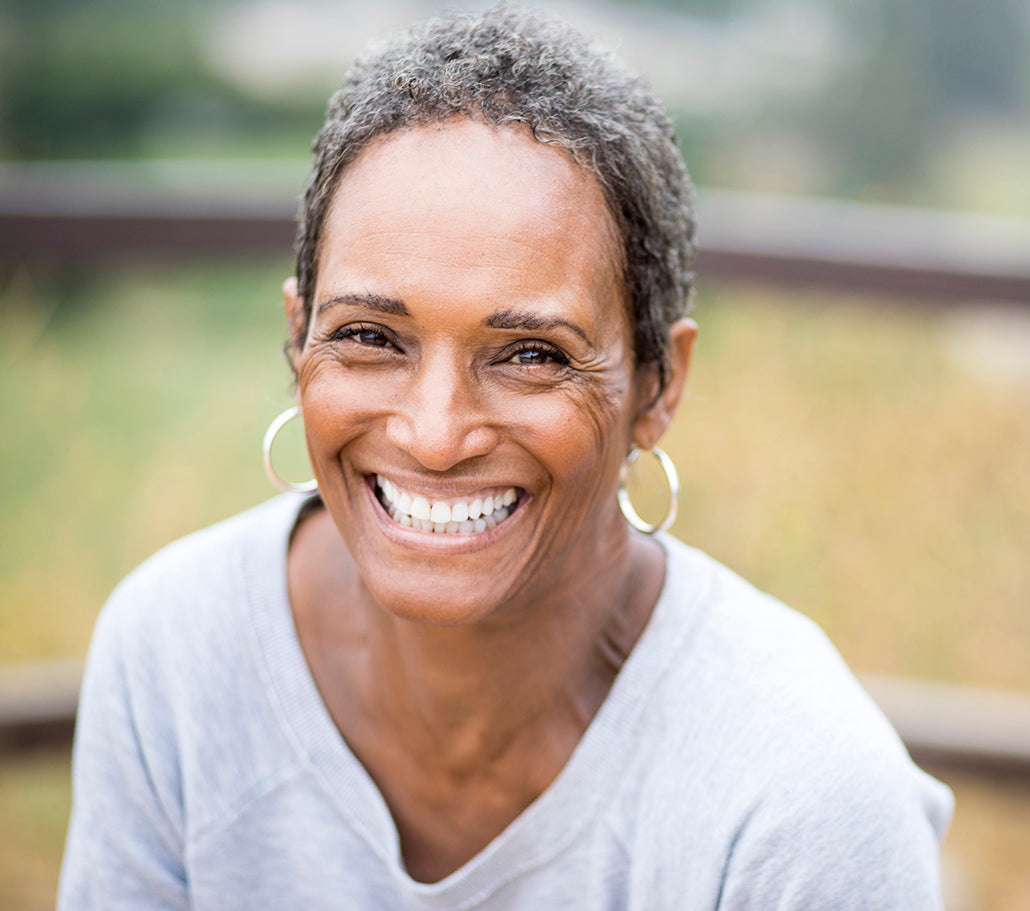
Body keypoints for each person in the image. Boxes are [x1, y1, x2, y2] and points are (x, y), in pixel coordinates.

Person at [58, 7, 952, 909]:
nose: (435, 434)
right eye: (369, 336)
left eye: (532, 354)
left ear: (658, 385)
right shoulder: (174, 657)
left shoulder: (800, 802)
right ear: (298, 342)